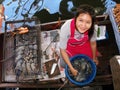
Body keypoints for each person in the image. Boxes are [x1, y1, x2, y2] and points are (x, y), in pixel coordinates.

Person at [59, 4, 99, 77]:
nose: (83, 25)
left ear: (92, 23)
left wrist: (94, 58)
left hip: (83, 45)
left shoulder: (94, 28)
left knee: (89, 62)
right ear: (75, 18)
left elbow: (93, 44)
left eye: (88, 22)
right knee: (63, 64)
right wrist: (71, 68)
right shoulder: (66, 28)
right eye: (81, 20)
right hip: (69, 47)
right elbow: (62, 50)